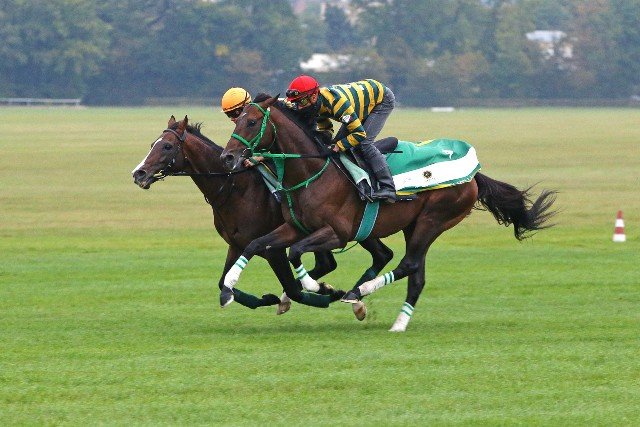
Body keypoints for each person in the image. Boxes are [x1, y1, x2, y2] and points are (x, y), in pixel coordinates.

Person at [285, 75, 397, 203]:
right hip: (359, 102)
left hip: (381, 100)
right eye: (296, 103)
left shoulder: (336, 103)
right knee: (340, 144)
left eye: (302, 102)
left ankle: (388, 187)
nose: (299, 107)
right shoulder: (316, 103)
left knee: (364, 144)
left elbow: (359, 134)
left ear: (314, 96)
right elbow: (326, 127)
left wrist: (337, 146)